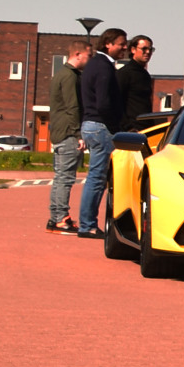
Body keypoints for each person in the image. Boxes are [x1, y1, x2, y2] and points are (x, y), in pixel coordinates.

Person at [76, 28, 129, 237]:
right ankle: (87, 224)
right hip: (100, 126)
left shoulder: (93, 65)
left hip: (90, 124)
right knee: (97, 177)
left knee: (96, 176)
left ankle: (87, 223)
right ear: (108, 43)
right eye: (121, 44)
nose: (124, 47)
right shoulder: (104, 67)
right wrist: (116, 127)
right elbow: (104, 103)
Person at [46, 40, 88, 234]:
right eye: (89, 55)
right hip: (68, 133)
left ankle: (56, 217)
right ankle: (61, 219)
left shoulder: (60, 75)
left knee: (60, 177)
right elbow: (73, 107)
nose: (90, 59)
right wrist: (78, 134)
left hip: (59, 131)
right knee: (65, 178)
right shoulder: (70, 77)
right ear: (77, 54)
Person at [118, 35, 156, 120]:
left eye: (150, 49)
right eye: (144, 49)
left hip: (145, 125)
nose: (148, 52)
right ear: (133, 50)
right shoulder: (124, 73)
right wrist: (127, 127)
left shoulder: (144, 74)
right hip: (132, 127)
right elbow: (117, 103)